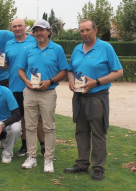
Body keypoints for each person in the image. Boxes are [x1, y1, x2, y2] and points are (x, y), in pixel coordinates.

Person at [64, 19, 123, 181]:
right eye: (82, 31)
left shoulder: (105, 48)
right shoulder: (77, 49)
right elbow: (70, 70)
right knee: (81, 131)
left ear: (95, 30)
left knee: (98, 132)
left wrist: (96, 82)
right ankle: (82, 164)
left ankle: (98, 167)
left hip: (97, 96)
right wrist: (70, 80)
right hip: (79, 96)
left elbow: (118, 72)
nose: (84, 33)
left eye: (88, 30)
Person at [18, 19, 68, 173]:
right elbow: (20, 69)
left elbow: (64, 71)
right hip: (30, 92)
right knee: (30, 126)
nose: (38, 33)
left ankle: (48, 158)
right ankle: (31, 157)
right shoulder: (28, 49)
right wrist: (26, 81)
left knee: (49, 127)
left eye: (42, 30)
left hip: (48, 92)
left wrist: (51, 81)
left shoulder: (57, 49)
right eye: (36, 30)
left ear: (48, 32)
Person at [3, 18, 45, 156]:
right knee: (21, 118)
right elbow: (8, 64)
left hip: (33, 86)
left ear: (25, 27)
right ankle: (25, 145)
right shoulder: (8, 44)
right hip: (15, 86)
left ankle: (44, 147)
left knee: (38, 119)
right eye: (14, 26)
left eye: (19, 25)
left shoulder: (34, 41)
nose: (17, 28)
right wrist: (2, 65)